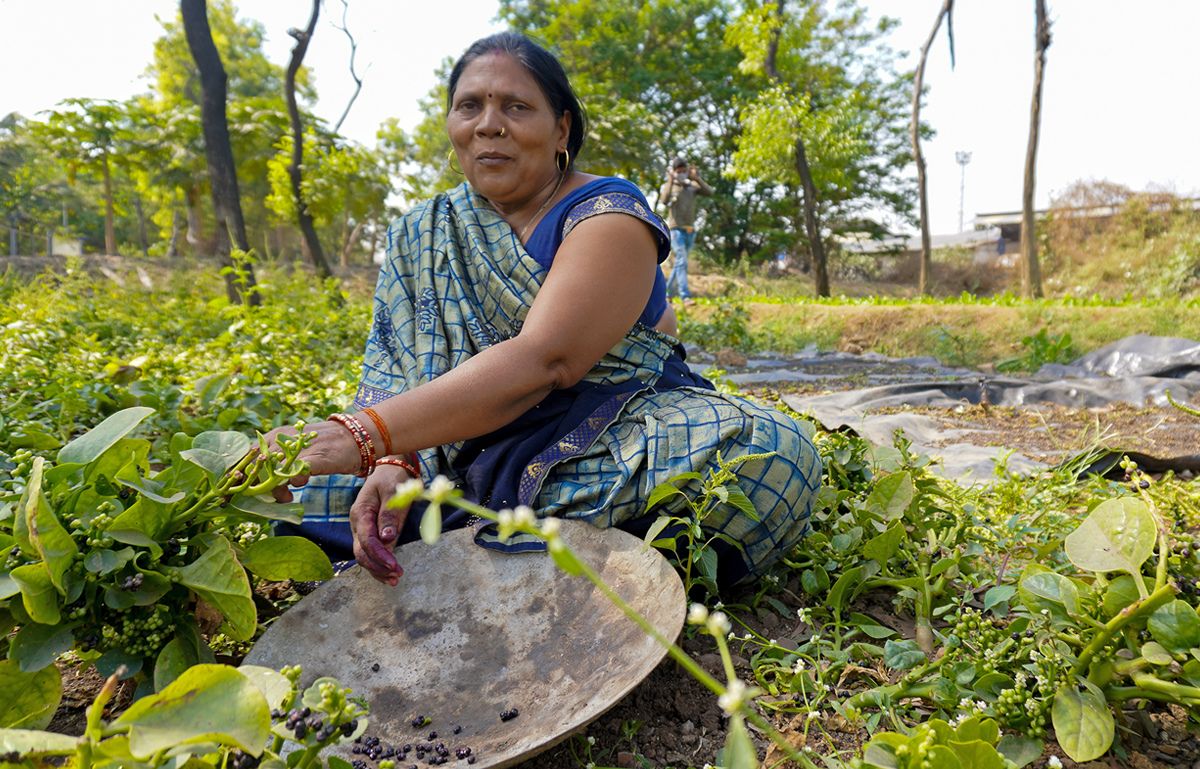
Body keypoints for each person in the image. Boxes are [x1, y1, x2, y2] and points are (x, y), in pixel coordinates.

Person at [266, 33, 820, 591]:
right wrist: (396, 460)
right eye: (469, 106)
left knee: (767, 454)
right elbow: (398, 371)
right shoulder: (424, 232)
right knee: (312, 492)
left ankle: (482, 548)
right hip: (459, 439)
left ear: (562, 129)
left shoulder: (609, 215)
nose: (488, 124)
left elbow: (545, 359)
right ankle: (520, 552)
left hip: (606, 430)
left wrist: (357, 438)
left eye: (515, 106)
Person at [659, 157, 713, 306]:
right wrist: (670, 181)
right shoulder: (670, 186)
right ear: (674, 172)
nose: (682, 174)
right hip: (676, 230)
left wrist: (696, 178)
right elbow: (663, 200)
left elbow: (709, 192)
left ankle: (668, 294)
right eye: (679, 172)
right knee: (682, 261)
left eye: (684, 171)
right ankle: (685, 297)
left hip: (690, 231)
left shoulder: (692, 186)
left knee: (680, 264)